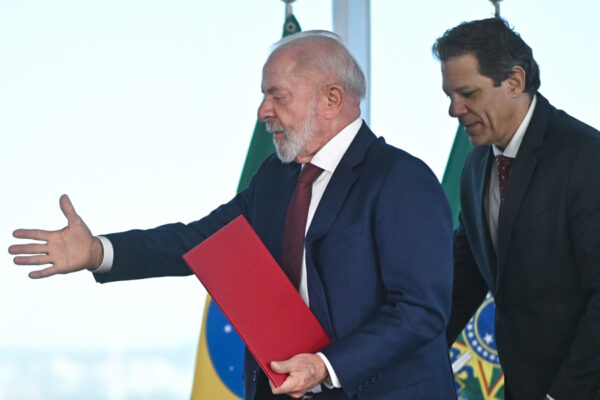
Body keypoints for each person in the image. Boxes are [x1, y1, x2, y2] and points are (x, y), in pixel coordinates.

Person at [10, 31, 456, 400]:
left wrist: (325, 365)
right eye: (264, 96)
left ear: (332, 99)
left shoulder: (401, 180)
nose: (263, 111)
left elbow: (419, 311)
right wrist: (98, 252)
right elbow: (198, 241)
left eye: (276, 96)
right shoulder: (276, 177)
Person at [433, 18, 600, 400]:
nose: (454, 110)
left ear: (514, 81)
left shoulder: (585, 157)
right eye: (449, 95)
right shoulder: (476, 165)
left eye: (468, 93)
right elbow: (463, 278)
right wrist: (410, 359)